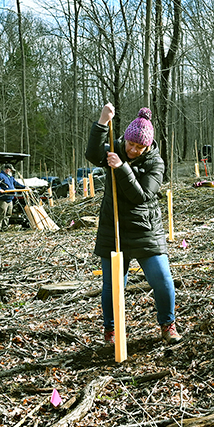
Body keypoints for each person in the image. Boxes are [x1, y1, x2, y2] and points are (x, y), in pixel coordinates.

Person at [85, 104, 181, 345]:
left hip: (145, 229)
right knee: (112, 286)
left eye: (139, 147)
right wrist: (102, 122)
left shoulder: (156, 163)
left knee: (162, 279)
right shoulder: (115, 147)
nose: (133, 150)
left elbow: (141, 196)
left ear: (147, 146)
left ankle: (168, 325)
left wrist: (121, 167)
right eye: (130, 144)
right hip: (113, 227)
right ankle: (112, 330)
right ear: (125, 139)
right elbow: (92, 154)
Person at [0, 163, 27, 232]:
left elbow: (16, 184)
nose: (12, 172)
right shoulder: (1, 175)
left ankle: (4, 228)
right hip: (3, 198)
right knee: (1, 214)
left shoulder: (10, 177)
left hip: (10, 198)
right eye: (11, 170)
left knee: (8, 214)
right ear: (7, 170)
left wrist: (24, 187)